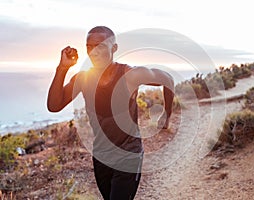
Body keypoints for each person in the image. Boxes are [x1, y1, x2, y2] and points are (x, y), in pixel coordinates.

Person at [47, 26, 174, 200]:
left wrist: (166, 116)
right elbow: (54, 106)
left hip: (129, 152)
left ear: (114, 48)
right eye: (89, 47)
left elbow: (168, 80)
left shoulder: (130, 74)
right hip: (101, 154)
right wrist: (62, 69)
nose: (94, 52)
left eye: (100, 46)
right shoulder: (83, 79)